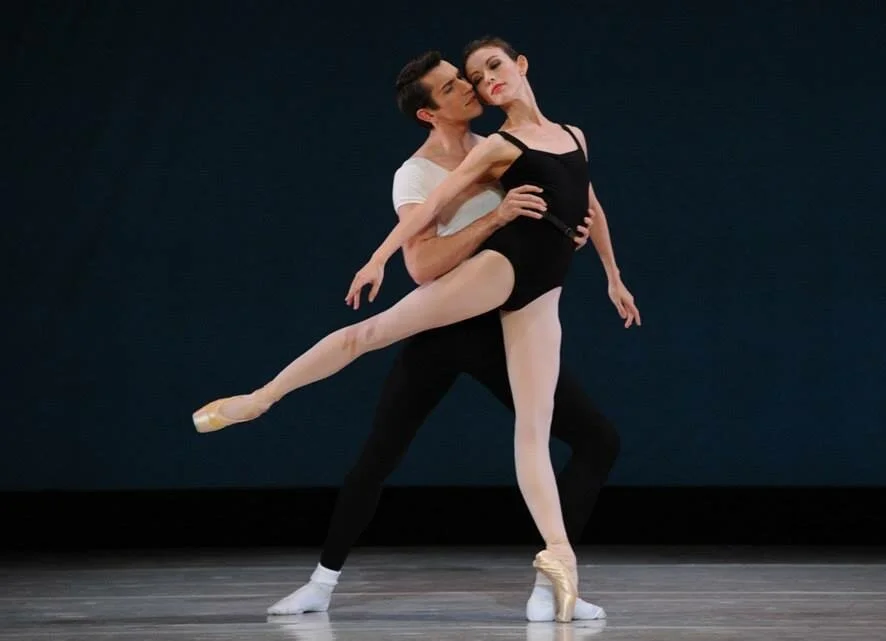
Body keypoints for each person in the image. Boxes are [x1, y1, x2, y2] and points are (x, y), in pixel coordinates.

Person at [193, 36, 640, 623]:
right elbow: (428, 232)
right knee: (372, 371)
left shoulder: (556, 136)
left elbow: (587, 199)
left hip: (532, 298)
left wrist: (611, 272)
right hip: (477, 290)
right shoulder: (456, 160)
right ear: (430, 110)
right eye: (467, 80)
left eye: (484, 72)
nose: (478, 85)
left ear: (521, 65)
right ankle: (259, 401)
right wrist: (378, 257)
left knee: (541, 432)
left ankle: (556, 574)